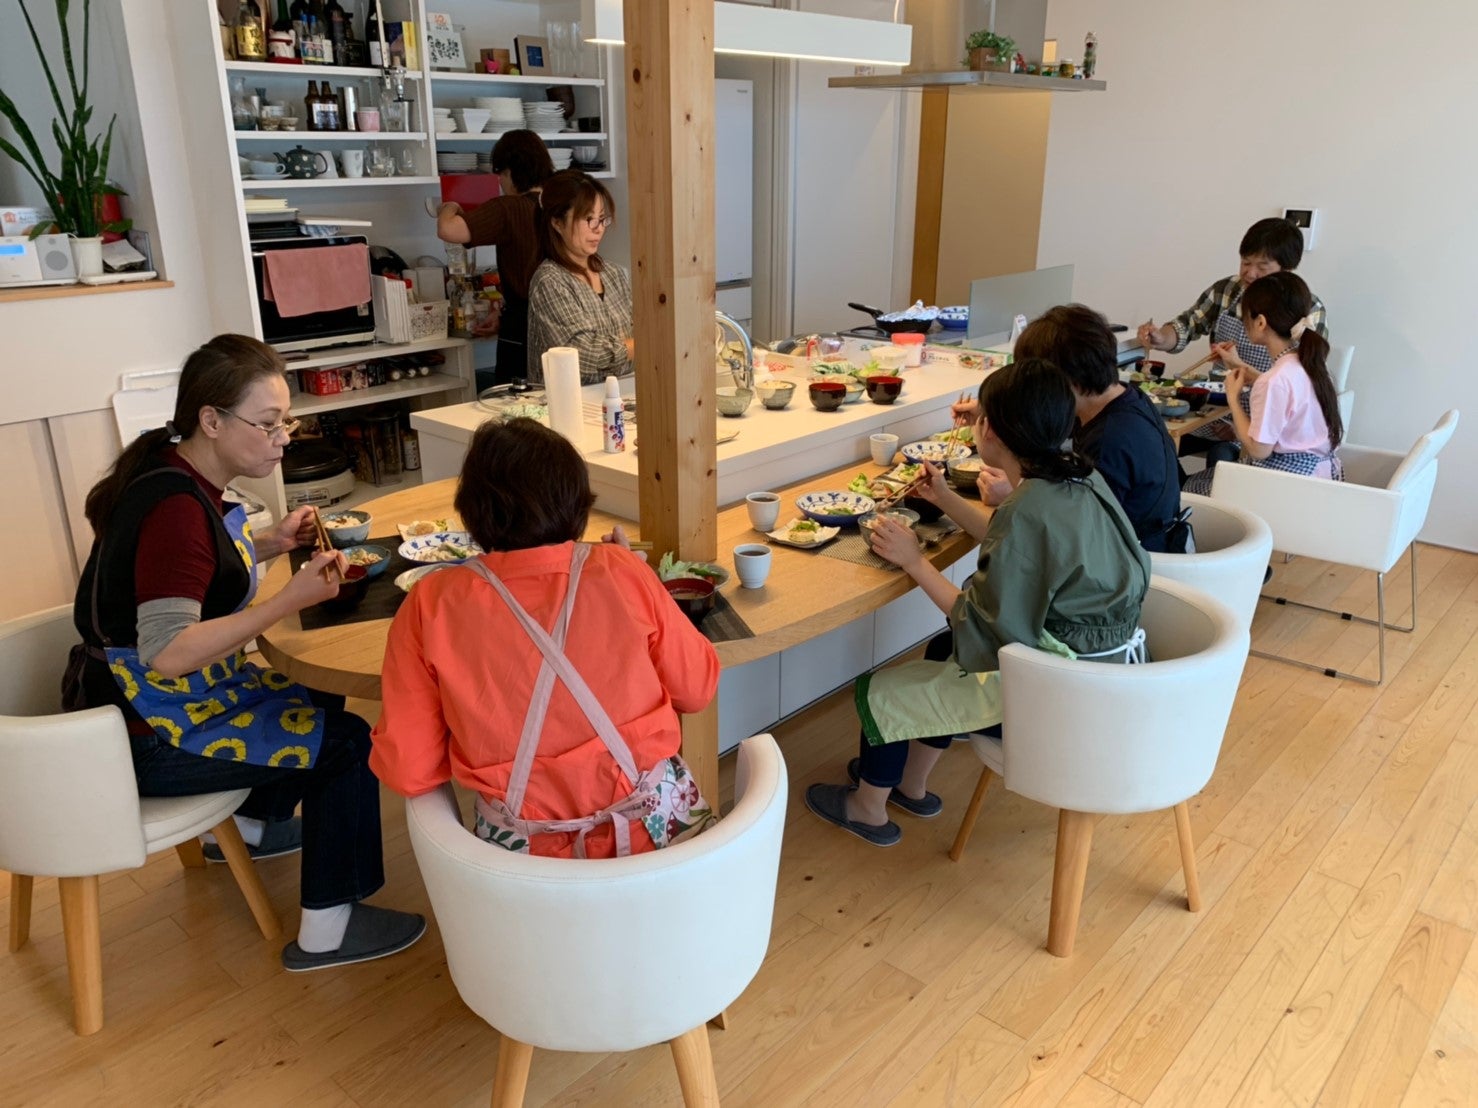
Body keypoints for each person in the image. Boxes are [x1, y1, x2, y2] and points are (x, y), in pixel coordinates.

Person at [68, 334, 425, 971]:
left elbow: (192, 572)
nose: (283, 438)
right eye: (268, 423)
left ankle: (257, 825)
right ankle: (328, 931)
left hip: (129, 708)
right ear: (211, 420)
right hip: (147, 734)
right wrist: (287, 601)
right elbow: (168, 652)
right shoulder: (176, 512)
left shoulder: (171, 469)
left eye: (285, 422)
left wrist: (269, 544)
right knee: (348, 744)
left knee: (315, 689)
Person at [806, 360, 1152, 847]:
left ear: (988, 429)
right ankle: (911, 785)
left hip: (1061, 695)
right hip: (1112, 675)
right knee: (942, 651)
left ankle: (867, 809)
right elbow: (1021, 552)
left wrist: (914, 560)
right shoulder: (1078, 477)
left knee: (884, 690)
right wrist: (945, 498)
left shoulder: (1028, 509)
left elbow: (980, 624)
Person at [371, 417, 720, 859]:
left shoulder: (429, 603)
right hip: (661, 851)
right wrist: (632, 577)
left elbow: (409, 769)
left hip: (527, 869)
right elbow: (697, 689)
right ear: (576, 502)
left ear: (472, 511)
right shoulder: (622, 570)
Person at [966, 304, 1186, 553]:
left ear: (1064, 379)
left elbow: (1076, 539)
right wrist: (996, 411)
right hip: (1154, 544)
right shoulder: (1126, 398)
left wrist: (1015, 494)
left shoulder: (1108, 442)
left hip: (1139, 561)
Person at [1137, 217, 1329, 463]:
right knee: (1152, 439)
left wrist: (1240, 424)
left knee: (1222, 455)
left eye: (1262, 266)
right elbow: (1187, 324)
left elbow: (1296, 387)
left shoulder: (1307, 309)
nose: (1250, 273)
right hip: (1216, 408)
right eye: (1245, 262)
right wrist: (1160, 337)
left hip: (1268, 426)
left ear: (1287, 269)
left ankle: (1188, 488)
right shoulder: (1227, 290)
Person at [1183, 271, 1344, 494]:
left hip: (1283, 488)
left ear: (1260, 322)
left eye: (1245, 318)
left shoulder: (1274, 380)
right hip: (1317, 479)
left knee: (1189, 489)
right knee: (1208, 478)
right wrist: (1239, 365)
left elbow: (1258, 450)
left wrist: (1233, 398)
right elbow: (1284, 392)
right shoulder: (1308, 364)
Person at [434, 130, 555, 390]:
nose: (499, 181)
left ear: (510, 171)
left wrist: (449, 205)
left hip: (523, 328)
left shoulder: (508, 207)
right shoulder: (559, 202)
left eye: (499, 173)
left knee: (516, 405)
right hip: (561, 323)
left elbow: (448, 229)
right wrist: (502, 315)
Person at [525, 170, 634, 384]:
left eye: (602, 219)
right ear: (557, 223)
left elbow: (635, 327)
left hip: (620, 393)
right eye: (588, 219)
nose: (598, 229)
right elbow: (582, 353)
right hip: (568, 399)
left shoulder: (612, 273)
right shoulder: (550, 281)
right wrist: (637, 345)